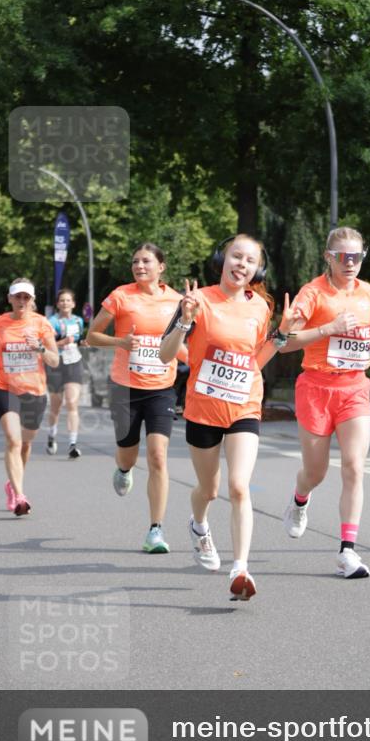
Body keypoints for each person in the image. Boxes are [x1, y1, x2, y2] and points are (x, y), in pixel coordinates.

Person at [159, 234, 297, 601]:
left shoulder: (260, 306)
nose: (242, 265)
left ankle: (240, 568)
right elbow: (164, 354)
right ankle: (199, 525)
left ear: (257, 269)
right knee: (210, 489)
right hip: (203, 407)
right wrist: (185, 321)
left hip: (244, 405)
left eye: (250, 261)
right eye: (236, 256)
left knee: (239, 486)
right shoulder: (197, 299)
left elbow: (256, 360)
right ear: (222, 258)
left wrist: (281, 335)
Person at [280, 226, 370, 579]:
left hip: (355, 388)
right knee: (316, 472)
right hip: (315, 388)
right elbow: (286, 342)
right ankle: (299, 498)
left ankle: (347, 552)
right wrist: (328, 328)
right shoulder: (312, 294)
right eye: (344, 257)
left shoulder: (369, 293)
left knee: (354, 467)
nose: (351, 263)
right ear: (329, 257)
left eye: (357, 256)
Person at [87, 243, 185, 554]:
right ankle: (125, 469)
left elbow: (183, 342)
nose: (139, 266)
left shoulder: (177, 300)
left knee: (157, 456)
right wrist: (121, 341)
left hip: (161, 388)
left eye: (146, 261)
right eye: (135, 261)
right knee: (127, 454)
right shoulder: (121, 295)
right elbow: (92, 335)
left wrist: (197, 364)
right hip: (124, 388)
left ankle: (155, 529)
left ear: (161, 267)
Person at [0, 278, 59, 515]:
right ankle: (20, 496)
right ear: (10, 298)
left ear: (32, 300)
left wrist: (40, 349)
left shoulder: (41, 324)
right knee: (13, 440)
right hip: (5, 388)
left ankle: (12, 484)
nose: (21, 301)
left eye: (26, 297)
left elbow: (54, 360)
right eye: (18, 296)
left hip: (34, 392)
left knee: (25, 444)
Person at [45, 288, 86, 459]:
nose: (65, 303)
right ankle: (52, 434)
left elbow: (77, 340)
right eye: (62, 300)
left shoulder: (78, 321)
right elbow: (47, 346)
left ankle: (72, 444)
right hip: (56, 363)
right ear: (57, 304)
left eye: (68, 300)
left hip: (74, 362)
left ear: (73, 304)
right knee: (56, 405)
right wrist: (62, 342)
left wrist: (83, 342)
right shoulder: (51, 322)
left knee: (72, 402)